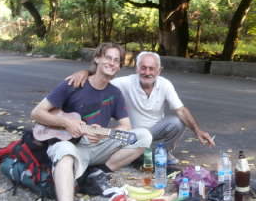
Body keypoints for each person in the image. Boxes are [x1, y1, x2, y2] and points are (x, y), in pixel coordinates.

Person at [31, 42, 151, 201]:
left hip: (95, 147)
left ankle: (98, 174)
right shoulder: (73, 83)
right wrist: (65, 123)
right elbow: (37, 113)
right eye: (108, 57)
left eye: (117, 60)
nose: (112, 63)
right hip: (69, 145)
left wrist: (105, 133)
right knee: (66, 151)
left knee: (143, 135)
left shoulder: (115, 93)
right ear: (97, 58)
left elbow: (125, 126)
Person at [66, 51, 215, 165]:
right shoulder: (125, 82)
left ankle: (161, 153)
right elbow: (101, 79)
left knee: (177, 121)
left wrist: (198, 131)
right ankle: (140, 154)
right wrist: (85, 72)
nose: (147, 72)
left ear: (159, 70)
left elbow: (181, 110)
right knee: (135, 136)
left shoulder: (165, 84)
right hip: (132, 135)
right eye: (143, 68)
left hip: (155, 131)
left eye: (151, 69)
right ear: (137, 69)